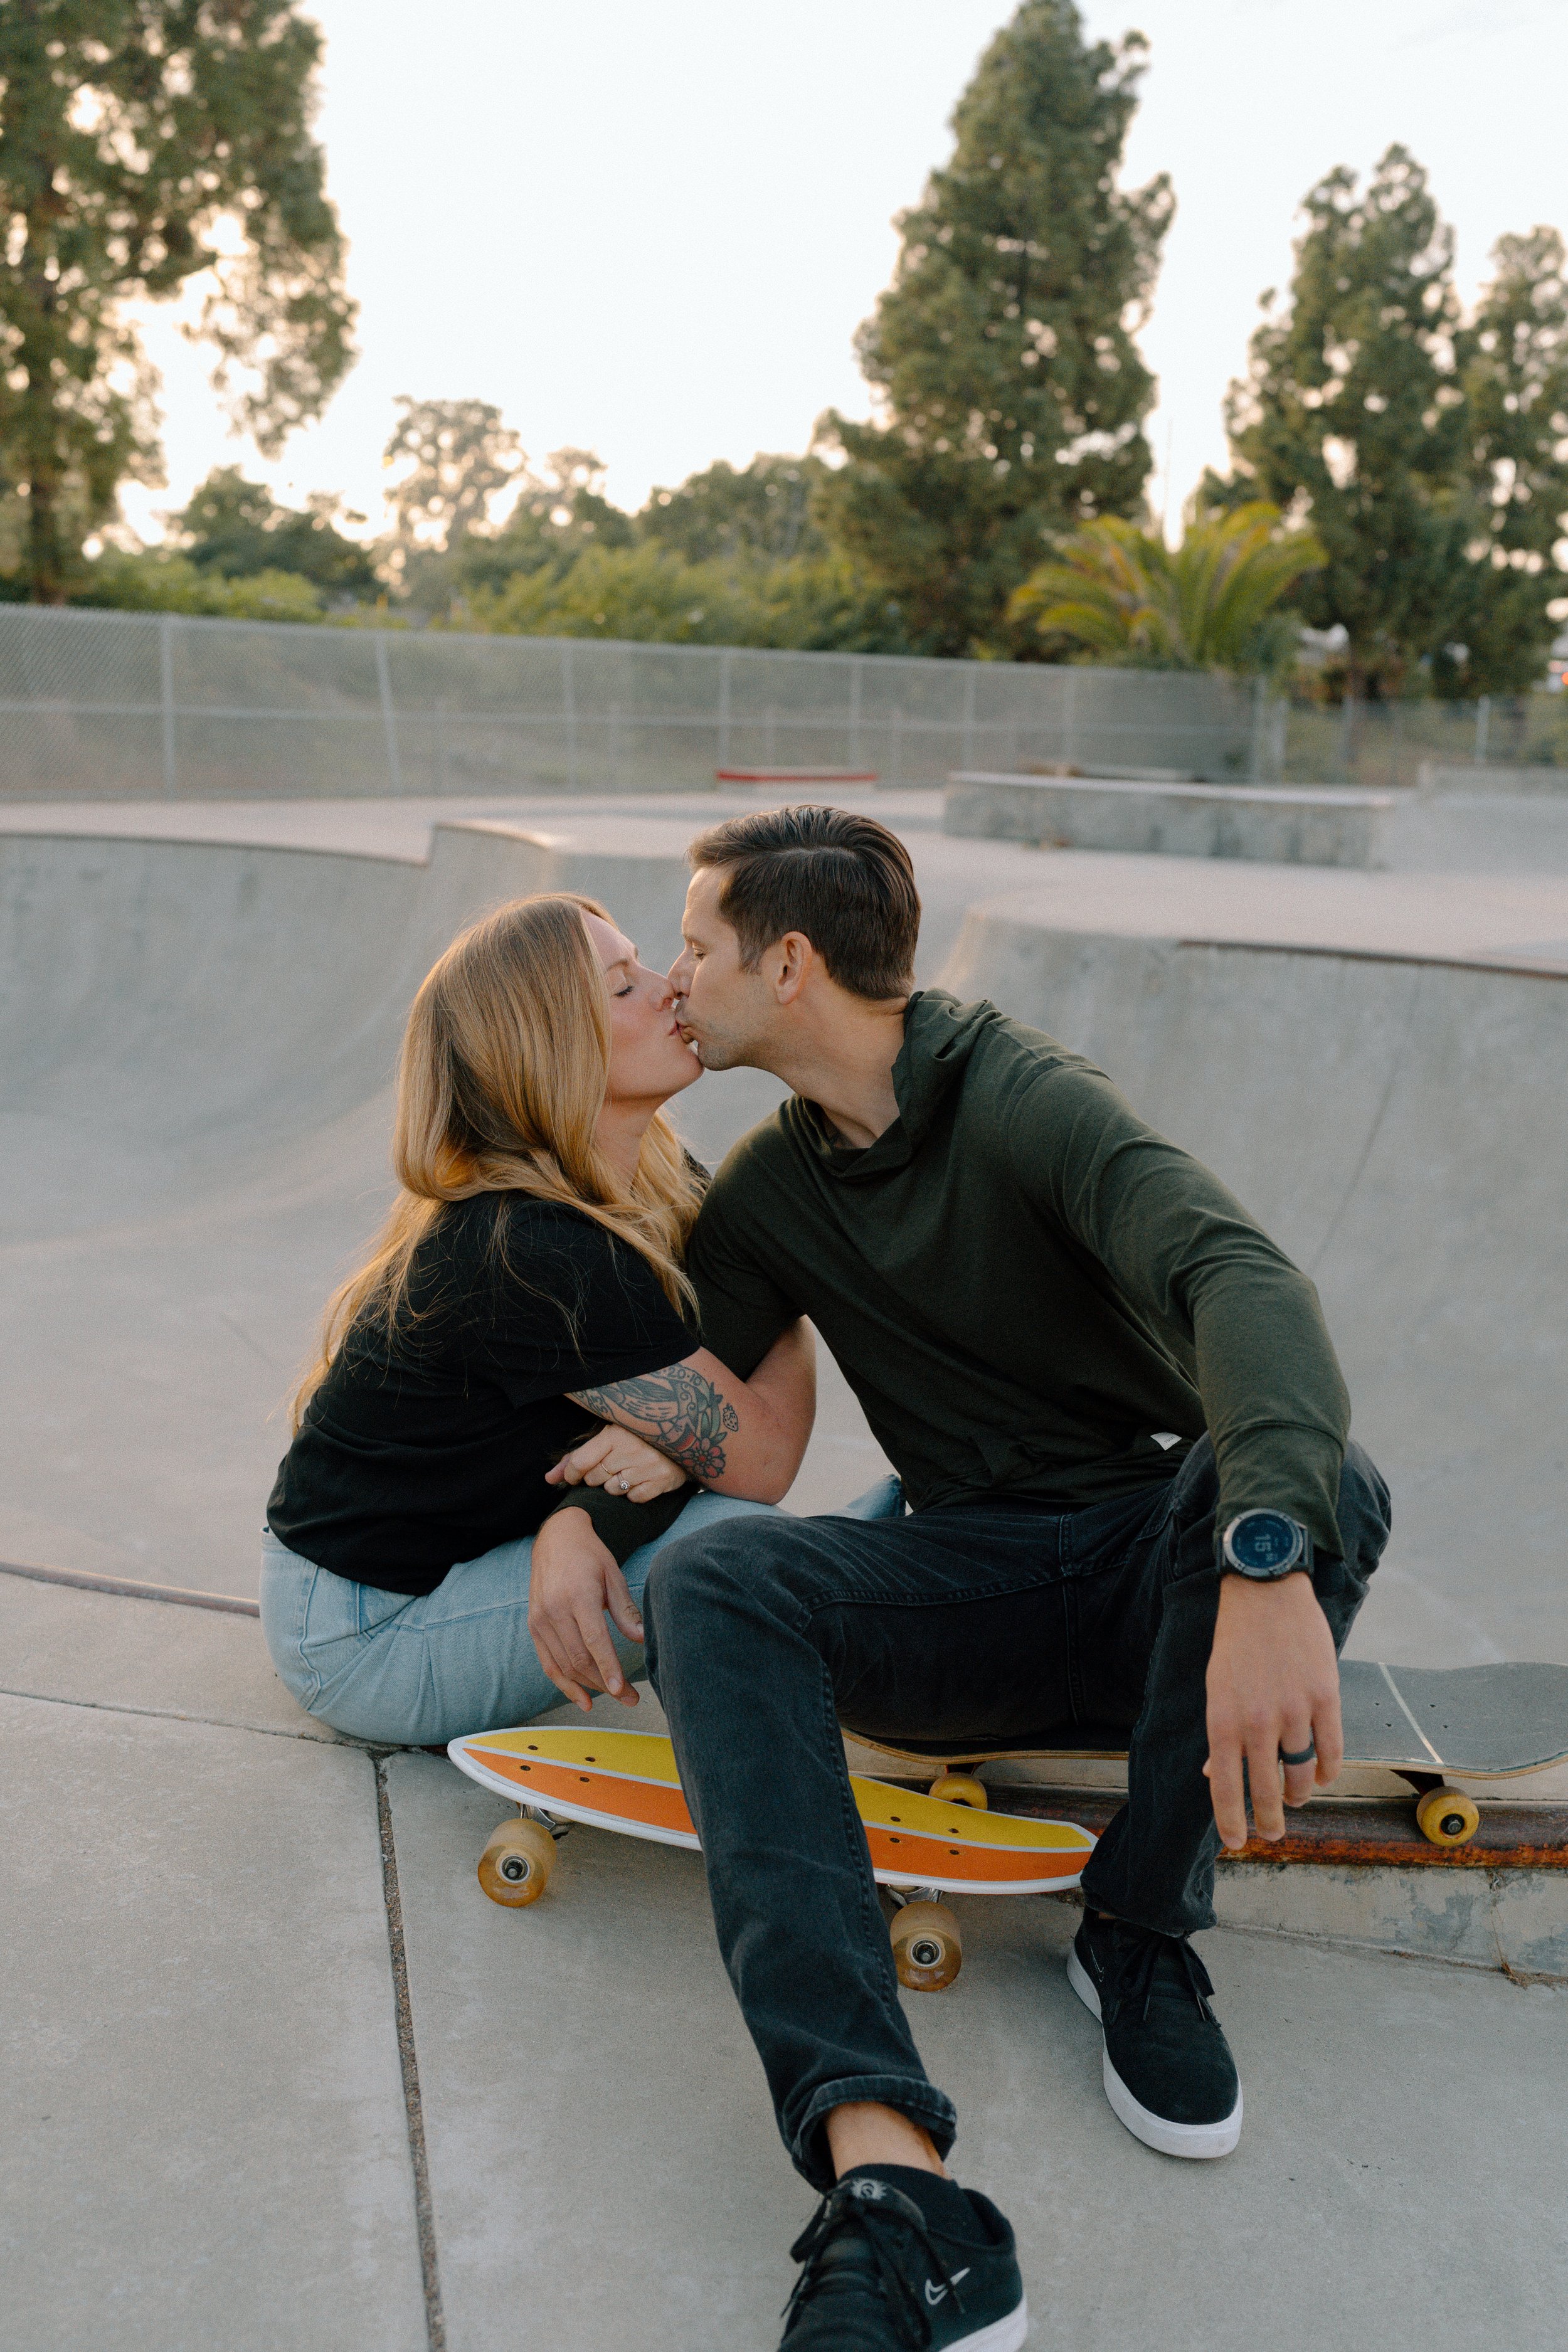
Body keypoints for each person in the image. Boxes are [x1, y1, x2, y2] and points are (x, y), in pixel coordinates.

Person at [539, 805, 1392, 2352]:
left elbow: (1240, 1278)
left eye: (696, 947)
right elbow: (687, 1385)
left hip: (1155, 1557)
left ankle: (1137, 1932)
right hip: (971, 1587)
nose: (674, 979)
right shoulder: (773, 1191)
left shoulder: (1023, 1102)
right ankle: (890, 2179)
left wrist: (1262, 1561)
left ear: (786, 964)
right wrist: (572, 1526)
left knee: (1326, 1481)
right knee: (723, 1589)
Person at [260, 889, 818, 1746]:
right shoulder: (533, 1251)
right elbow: (765, 1453)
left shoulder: (654, 1174)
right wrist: (776, 1293)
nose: (671, 985)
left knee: (763, 1547)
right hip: (366, 1634)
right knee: (742, 1555)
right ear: (552, 1050)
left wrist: (664, 1448)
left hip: (436, 1568)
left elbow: (738, 1347)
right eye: (623, 986)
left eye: (644, 962)